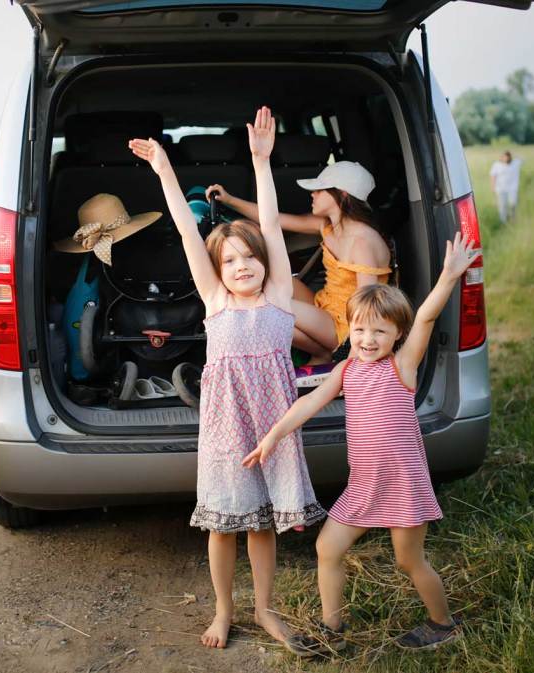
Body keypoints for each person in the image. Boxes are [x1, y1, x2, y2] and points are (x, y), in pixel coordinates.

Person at [128, 106, 325, 653]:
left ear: (265, 263)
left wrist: (262, 163)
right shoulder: (216, 301)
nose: (242, 266)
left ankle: (265, 610)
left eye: (250, 258)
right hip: (225, 429)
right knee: (224, 525)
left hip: (274, 427)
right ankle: (223, 610)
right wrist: (166, 172)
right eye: (231, 260)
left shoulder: (279, 297)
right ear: (219, 271)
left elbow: (269, 225)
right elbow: (191, 233)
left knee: (262, 524)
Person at [244, 233, 480, 655]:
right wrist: (273, 435)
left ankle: (443, 623)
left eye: (379, 331)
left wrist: (448, 276)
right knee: (327, 547)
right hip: (365, 483)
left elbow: (425, 317)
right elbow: (312, 402)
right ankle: (332, 628)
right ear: (348, 329)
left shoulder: (402, 367)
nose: (367, 339)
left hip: (403, 483)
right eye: (358, 329)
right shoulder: (348, 369)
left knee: (410, 561)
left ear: (397, 335)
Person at [206, 160, 391, 364]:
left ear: (342, 194)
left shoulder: (362, 241)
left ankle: (324, 354)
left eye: (320, 190)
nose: (313, 194)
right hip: (325, 306)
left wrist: (353, 361)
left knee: (269, 304)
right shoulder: (327, 226)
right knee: (265, 279)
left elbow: (368, 305)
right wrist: (230, 200)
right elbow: (274, 219)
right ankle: (320, 353)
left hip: (347, 327)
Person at [489, 150, 522, 223]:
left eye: (507, 157)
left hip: (512, 189)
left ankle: (513, 218)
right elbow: (493, 176)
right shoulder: (496, 165)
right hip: (501, 189)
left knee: (513, 203)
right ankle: (503, 221)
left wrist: (514, 154)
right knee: (502, 206)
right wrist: (493, 187)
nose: (506, 159)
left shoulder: (515, 163)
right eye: (504, 157)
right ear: (501, 157)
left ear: (510, 157)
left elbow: (522, 158)